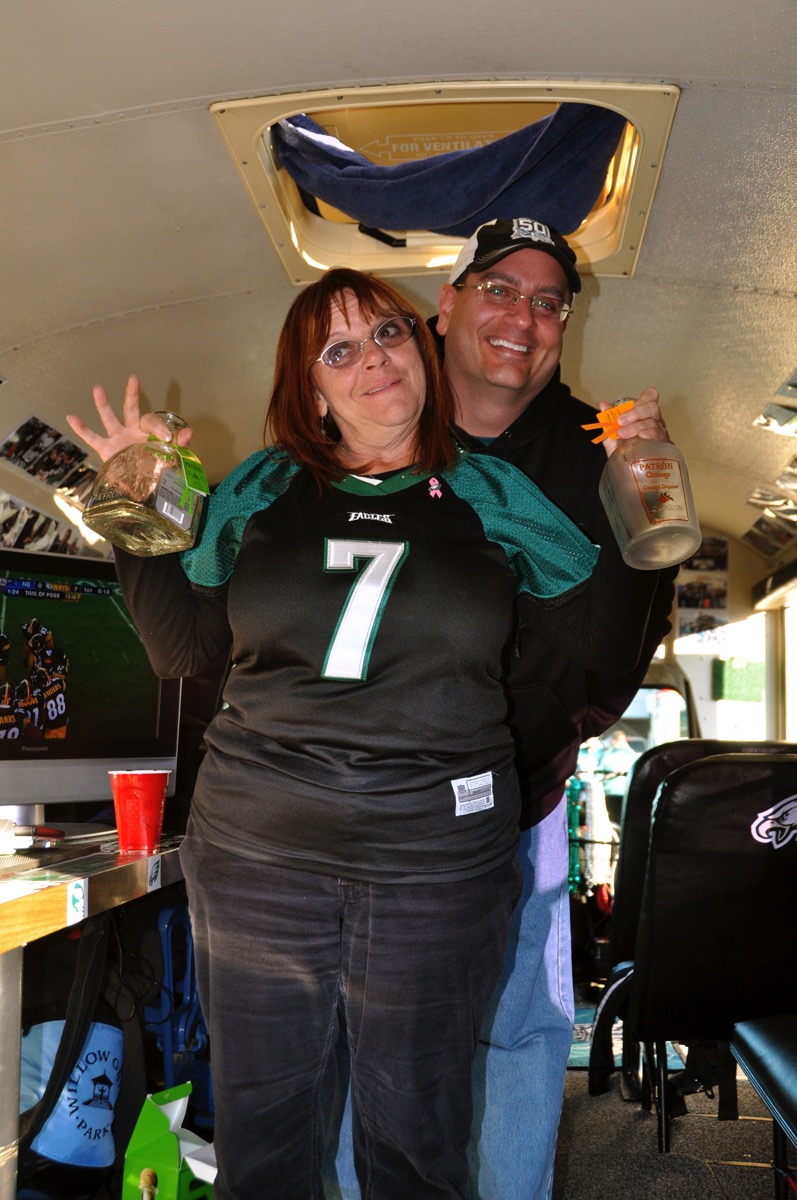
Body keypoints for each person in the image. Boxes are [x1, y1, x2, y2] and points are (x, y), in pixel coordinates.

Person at [68, 266, 657, 1200]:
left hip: (435, 862)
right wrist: (136, 498)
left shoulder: (492, 490)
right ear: (310, 390)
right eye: (337, 351)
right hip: (259, 854)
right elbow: (181, 647)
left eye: (386, 333)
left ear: (421, 345)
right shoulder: (262, 487)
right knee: (267, 1141)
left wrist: (640, 493)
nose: (372, 360)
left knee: (418, 1139)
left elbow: (602, 640)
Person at [329, 219, 677, 1200]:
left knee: (516, 1034)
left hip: (517, 802)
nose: (521, 317)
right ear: (444, 306)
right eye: (497, 289)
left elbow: (618, 652)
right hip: (367, 809)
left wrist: (643, 495)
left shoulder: (596, 454)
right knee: (359, 1037)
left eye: (547, 301)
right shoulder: (374, 417)